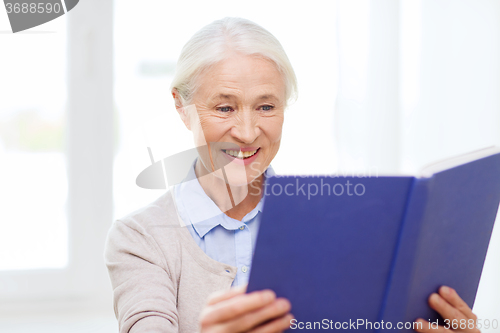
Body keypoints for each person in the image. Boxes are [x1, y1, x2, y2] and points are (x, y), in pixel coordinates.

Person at [104, 17, 481, 333]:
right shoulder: (140, 239)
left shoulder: (338, 220)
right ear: (181, 107)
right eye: (224, 107)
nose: (248, 132)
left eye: (266, 106)